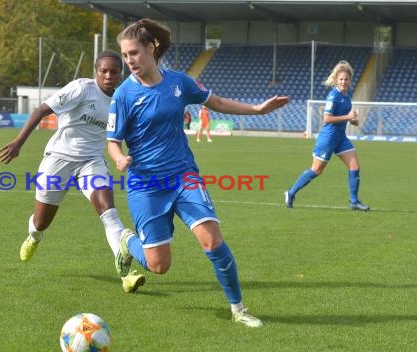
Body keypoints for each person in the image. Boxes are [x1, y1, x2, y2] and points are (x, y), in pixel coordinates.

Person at [107, 18, 290, 327]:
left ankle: (239, 309)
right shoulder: (124, 94)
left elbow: (216, 102)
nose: (129, 61)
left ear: (152, 47)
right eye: (125, 56)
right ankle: (127, 242)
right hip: (146, 184)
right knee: (159, 265)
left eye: (134, 53)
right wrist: (119, 158)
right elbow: (112, 141)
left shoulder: (179, 82)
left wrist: (258, 109)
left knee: (212, 239)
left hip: (183, 176)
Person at [0, 51, 146, 294]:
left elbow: (127, 135)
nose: (109, 76)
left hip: (92, 161)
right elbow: (40, 111)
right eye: (104, 71)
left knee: (108, 212)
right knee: (41, 222)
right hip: (58, 159)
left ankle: (126, 275)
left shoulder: (123, 99)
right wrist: (19, 142)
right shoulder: (81, 89)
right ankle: (34, 236)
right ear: (96, 72)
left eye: (114, 71)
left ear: (121, 74)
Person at [284, 60, 370, 212]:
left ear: (350, 80)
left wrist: (354, 120)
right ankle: (290, 192)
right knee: (316, 170)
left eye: (346, 79)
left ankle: (354, 202)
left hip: (340, 139)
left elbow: (347, 117)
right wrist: (347, 117)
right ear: (336, 80)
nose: (344, 82)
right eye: (341, 79)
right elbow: (327, 118)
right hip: (328, 139)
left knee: (355, 166)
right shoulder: (333, 96)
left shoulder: (347, 94)